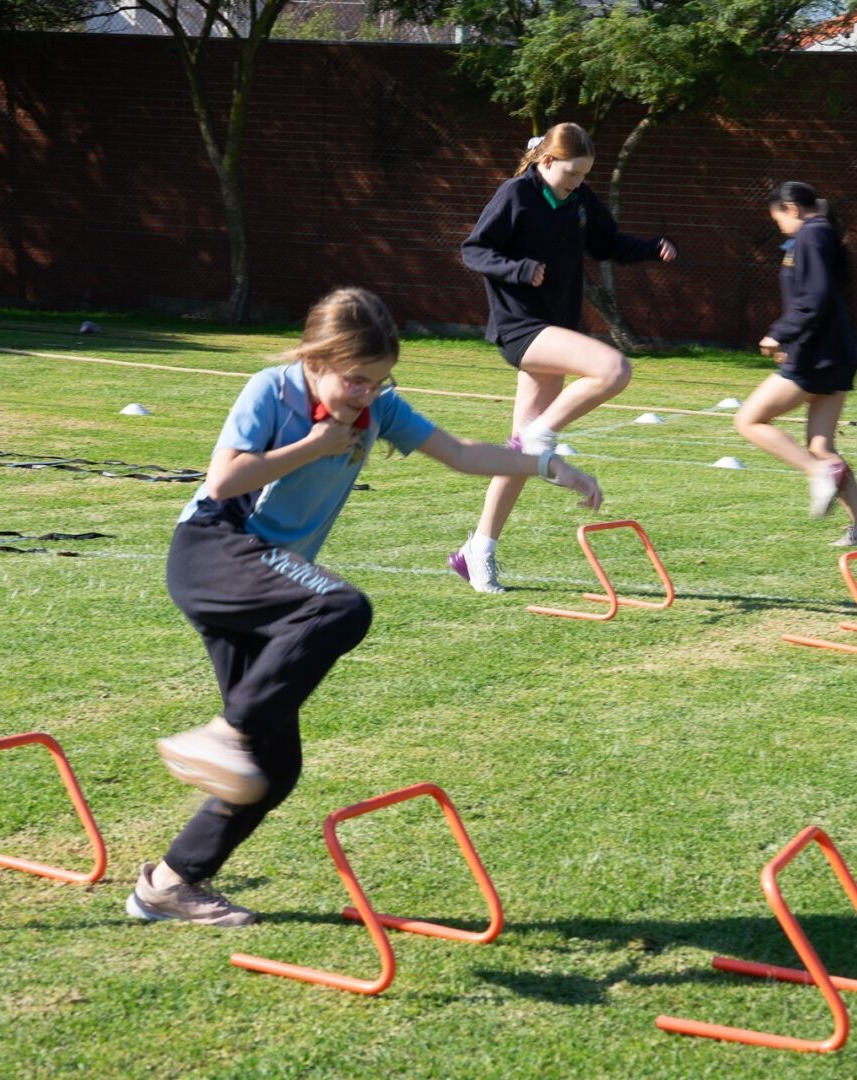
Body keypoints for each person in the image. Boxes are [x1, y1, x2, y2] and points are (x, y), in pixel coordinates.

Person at [125, 287, 602, 927]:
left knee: (274, 768)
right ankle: (224, 733)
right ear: (315, 358)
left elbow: (461, 454)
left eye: (379, 382)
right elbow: (224, 481)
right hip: (215, 549)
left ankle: (166, 884)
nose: (366, 396)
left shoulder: (379, 409)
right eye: (356, 380)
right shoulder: (271, 390)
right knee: (339, 606)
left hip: (269, 582)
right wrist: (316, 445)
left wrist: (549, 465)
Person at [448, 122, 677, 593]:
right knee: (614, 368)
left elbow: (607, 244)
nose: (577, 183)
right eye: (571, 174)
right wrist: (520, 269)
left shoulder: (577, 200)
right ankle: (543, 435)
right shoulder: (517, 194)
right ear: (546, 161)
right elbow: (475, 251)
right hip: (521, 327)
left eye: (583, 176)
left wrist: (651, 247)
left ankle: (479, 551)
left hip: (554, 326)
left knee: (519, 454)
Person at [733, 181, 857, 547]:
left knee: (749, 420)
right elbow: (821, 299)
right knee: (822, 444)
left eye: (779, 220)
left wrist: (781, 333)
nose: (780, 228)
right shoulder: (823, 234)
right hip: (834, 355)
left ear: (792, 208)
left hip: (817, 357)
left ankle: (818, 472)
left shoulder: (811, 236)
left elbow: (814, 297)